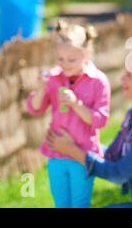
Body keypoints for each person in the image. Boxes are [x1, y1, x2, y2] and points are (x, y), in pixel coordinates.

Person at [47, 45, 132, 208]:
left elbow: (119, 174)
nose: (122, 79)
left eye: (129, 75)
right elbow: (110, 156)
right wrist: (78, 142)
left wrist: (74, 150)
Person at [26, 21, 111, 208]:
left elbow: (100, 120)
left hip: (82, 155)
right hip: (56, 154)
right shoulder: (54, 77)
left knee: (80, 203)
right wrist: (41, 89)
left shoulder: (98, 81)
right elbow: (35, 109)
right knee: (61, 203)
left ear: (86, 54)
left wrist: (75, 104)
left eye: (71, 59)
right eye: (60, 59)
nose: (65, 64)